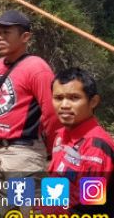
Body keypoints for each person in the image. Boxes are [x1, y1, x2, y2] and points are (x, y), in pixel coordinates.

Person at [0, 10, 61, 212]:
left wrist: (52, 154)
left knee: (28, 210)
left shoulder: (37, 68)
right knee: (7, 211)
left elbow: (51, 113)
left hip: (24, 152)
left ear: (25, 37)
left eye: (6, 32)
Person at [47, 67, 113, 214]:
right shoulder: (60, 135)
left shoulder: (97, 146)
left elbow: (88, 207)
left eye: (74, 98)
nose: (64, 105)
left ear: (93, 102)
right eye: (58, 98)